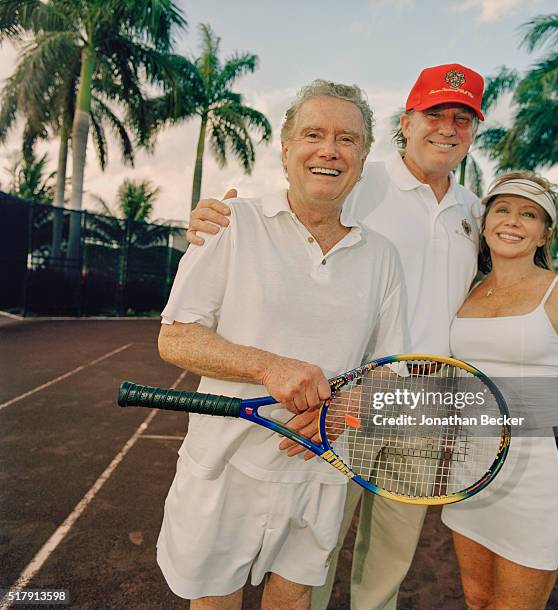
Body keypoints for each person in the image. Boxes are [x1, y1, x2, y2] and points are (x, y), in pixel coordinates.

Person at [186, 63, 485, 610]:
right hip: (345, 394)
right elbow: (295, 201)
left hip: (420, 398)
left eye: (462, 119)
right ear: (408, 121)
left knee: (391, 555)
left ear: (473, 131)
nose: (447, 128)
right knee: (311, 550)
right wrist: (213, 217)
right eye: (434, 114)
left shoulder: (474, 210)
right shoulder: (359, 175)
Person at [156, 80, 407, 610]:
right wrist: (267, 366)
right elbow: (176, 337)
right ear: (286, 149)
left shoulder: (382, 255)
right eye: (313, 134)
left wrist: (344, 411)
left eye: (348, 139)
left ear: (362, 159)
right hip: (222, 468)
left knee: (291, 603)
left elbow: (389, 369)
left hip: (319, 468)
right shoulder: (231, 223)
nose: (330, 150)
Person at [441, 171, 558, 609]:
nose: (513, 221)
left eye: (529, 214)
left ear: (544, 232)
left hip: (540, 477)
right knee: (477, 600)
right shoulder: (467, 293)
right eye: (503, 209)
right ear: (485, 222)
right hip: (471, 469)